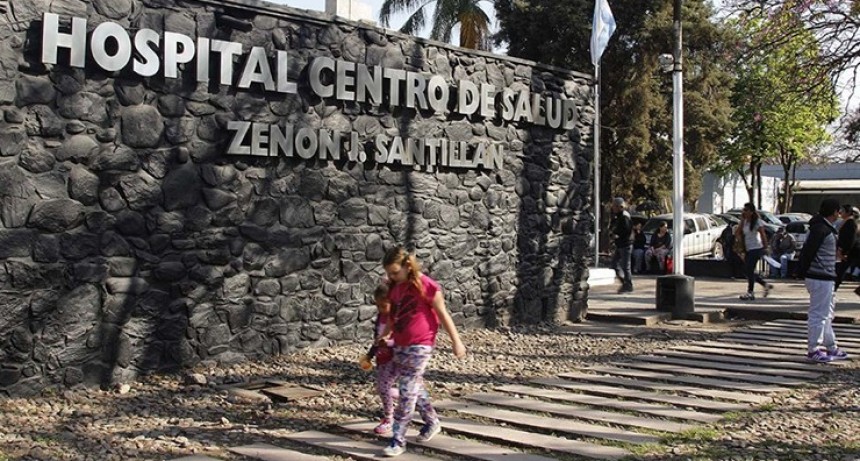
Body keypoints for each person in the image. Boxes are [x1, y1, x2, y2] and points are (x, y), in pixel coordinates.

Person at [379, 247, 466, 457]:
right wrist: (385, 334)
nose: (391, 276)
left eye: (395, 272)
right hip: (400, 344)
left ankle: (398, 439)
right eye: (389, 273)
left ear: (408, 266)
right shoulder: (395, 288)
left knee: (406, 392)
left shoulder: (426, 285)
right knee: (414, 386)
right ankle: (432, 421)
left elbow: (443, 314)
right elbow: (393, 316)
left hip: (421, 345)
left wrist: (456, 342)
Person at [796, 198, 848, 363]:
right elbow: (808, 252)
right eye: (838, 211)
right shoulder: (821, 229)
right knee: (819, 314)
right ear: (834, 212)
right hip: (820, 277)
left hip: (825, 276)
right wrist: (803, 271)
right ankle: (813, 349)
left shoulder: (823, 228)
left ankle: (830, 345)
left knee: (826, 314)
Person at [369, 283, 397, 435]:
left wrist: (389, 343)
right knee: (382, 388)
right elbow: (377, 339)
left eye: (383, 306)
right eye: (377, 306)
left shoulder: (397, 318)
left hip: (395, 359)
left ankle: (389, 419)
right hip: (382, 358)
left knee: (383, 388)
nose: (380, 309)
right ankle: (411, 394)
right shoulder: (380, 318)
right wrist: (370, 354)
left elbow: (402, 340)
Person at [734, 203, 774, 300]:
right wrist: (742, 221)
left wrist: (766, 247)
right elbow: (737, 232)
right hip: (748, 248)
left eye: (746, 210)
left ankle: (750, 292)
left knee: (749, 269)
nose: (744, 212)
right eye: (744, 210)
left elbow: (763, 235)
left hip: (756, 248)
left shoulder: (757, 222)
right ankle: (764, 284)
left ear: (751, 212)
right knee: (747, 270)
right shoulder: (744, 222)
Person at [610, 197, 634, 293]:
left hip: (625, 244)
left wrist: (617, 235)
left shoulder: (624, 216)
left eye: (615, 206)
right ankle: (625, 282)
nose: (613, 208)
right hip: (619, 244)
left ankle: (628, 285)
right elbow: (613, 227)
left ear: (620, 206)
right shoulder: (617, 216)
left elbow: (627, 230)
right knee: (614, 264)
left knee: (625, 266)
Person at [835, 204, 858, 291]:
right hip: (844, 251)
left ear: (848, 212)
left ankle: (833, 288)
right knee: (839, 271)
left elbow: (850, 239)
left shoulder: (850, 223)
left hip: (850, 252)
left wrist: (844, 252)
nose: (841, 212)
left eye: (843, 211)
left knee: (840, 271)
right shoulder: (845, 221)